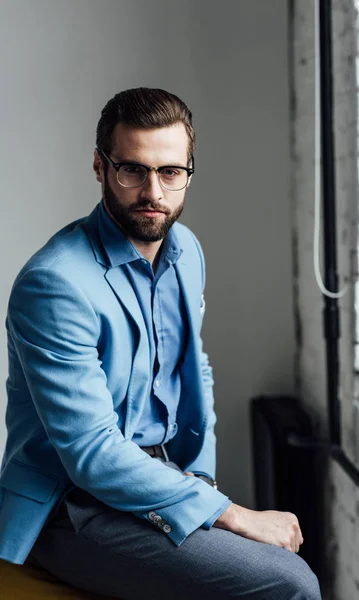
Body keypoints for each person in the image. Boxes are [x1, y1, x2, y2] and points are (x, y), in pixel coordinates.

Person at [0, 87, 321, 600]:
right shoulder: (55, 284)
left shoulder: (185, 251)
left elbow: (194, 370)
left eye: (171, 172)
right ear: (100, 167)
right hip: (72, 505)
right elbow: (91, 455)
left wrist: (199, 484)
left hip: (161, 473)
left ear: (189, 170)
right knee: (290, 584)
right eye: (133, 170)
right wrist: (229, 514)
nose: (154, 191)